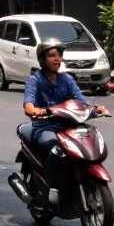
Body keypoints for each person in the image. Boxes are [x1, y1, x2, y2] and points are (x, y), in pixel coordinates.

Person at [19, 38, 106, 207]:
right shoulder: (35, 80)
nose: (57, 59)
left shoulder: (66, 79)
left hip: (68, 126)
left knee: (87, 141)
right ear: (43, 59)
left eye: (59, 55)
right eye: (52, 55)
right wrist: (35, 110)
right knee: (56, 149)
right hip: (45, 127)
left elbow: (79, 100)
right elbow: (28, 104)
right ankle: (53, 188)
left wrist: (95, 109)